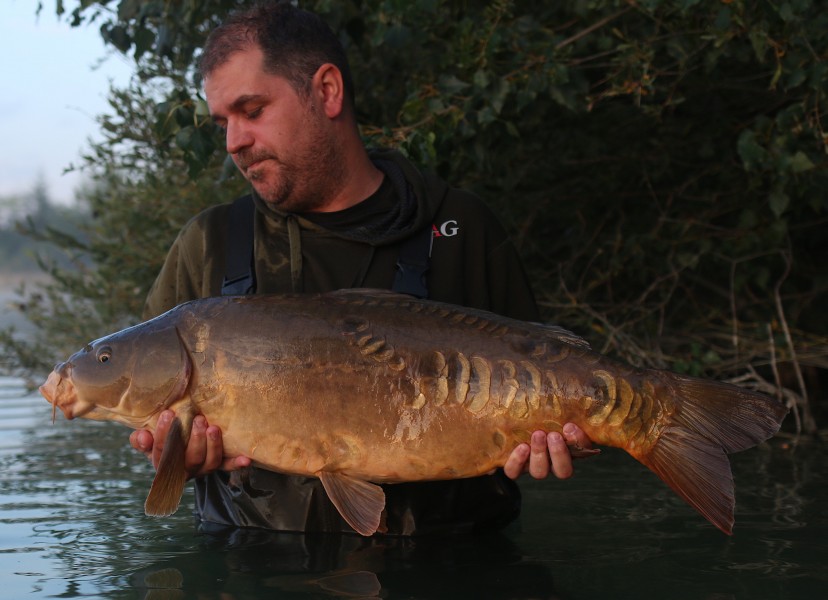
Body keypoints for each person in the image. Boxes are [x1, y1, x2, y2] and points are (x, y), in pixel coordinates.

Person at [130, 1, 594, 535]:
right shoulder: (207, 245)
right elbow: (156, 434)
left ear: (327, 91)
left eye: (252, 110)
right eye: (223, 122)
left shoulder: (462, 227)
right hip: (254, 562)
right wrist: (173, 458)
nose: (233, 141)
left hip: (457, 561)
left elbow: (547, 382)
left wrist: (562, 437)